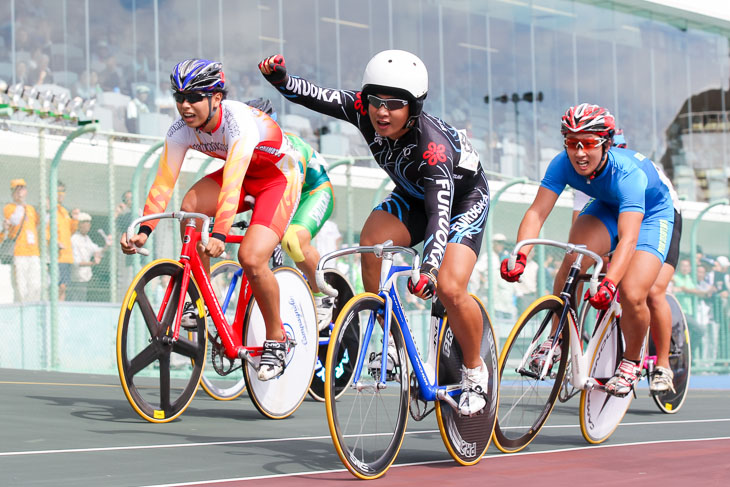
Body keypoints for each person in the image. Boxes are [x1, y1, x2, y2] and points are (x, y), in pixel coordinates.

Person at [260, 50, 492, 416]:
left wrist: (429, 271)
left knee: (449, 287)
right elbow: (318, 97)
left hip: (460, 199)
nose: (382, 112)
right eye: (375, 102)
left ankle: (475, 371)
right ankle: (391, 337)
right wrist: (282, 82)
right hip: (414, 194)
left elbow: (438, 218)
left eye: (394, 105)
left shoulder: (433, 151)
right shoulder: (362, 108)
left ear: (413, 108)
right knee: (370, 245)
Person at [120, 59, 303, 381]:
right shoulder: (180, 131)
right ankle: (201, 301)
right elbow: (164, 182)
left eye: (193, 97)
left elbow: (232, 181)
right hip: (245, 175)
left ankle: (277, 339)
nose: (185, 105)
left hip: (277, 180)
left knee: (250, 256)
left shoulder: (238, 122)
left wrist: (219, 233)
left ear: (216, 98)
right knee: (191, 206)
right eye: (179, 97)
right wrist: (144, 229)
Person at [500, 103, 675, 397]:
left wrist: (609, 283)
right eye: (571, 143)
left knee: (632, 293)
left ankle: (631, 362)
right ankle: (554, 341)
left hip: (651, 216)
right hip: (607, 206)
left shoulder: (628, 174)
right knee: (573, 260)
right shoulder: (561, 163)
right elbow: (536, 213)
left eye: (589, 144)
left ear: (606, 144)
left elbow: (629, 240)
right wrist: (521, 254)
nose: (580, 153)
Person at [572, 129, 684, 393]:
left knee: (653, 292)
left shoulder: (632, 171)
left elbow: (631, 237)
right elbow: (580, 231)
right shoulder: (586, 175)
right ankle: (569, 340)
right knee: (580, 263)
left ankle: (663, 366)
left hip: (659, 216)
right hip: (620, 216)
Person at [244, 97, 337, 331]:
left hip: (312, 191)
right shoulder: (243, 147)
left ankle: (322, 294)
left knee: (292, 240)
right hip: (278, 191)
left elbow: (290, 190)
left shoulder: (289, 147)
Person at [2, 179, 41, 302]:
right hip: (19, 252)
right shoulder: (10, 207)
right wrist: (21, 206)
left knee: (36, 285)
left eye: (22, 189)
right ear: (12, 193)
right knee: (21, 286)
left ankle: (32, 307)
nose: (19, 193)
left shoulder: (31, 209)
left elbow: (39, 222)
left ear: (26, 191)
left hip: (34, 252)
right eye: (16, 190)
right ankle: (21, 308)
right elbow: (15, 220)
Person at [71, 212, 111, 301]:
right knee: (76, 301)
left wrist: (106, 246)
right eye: (85, 223)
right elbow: (76, 262)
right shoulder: (74, 239)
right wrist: (92, 263)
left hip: (85, 277)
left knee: (82, 301)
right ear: (80, 225)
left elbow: (96, 250)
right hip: (76, 279)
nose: (88, 225)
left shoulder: (87, 239)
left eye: (89, 223)